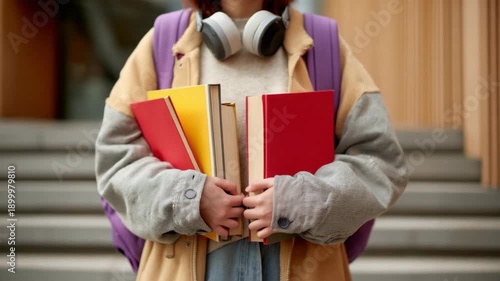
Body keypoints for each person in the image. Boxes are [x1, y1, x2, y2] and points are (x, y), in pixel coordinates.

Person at [95, 0, 409, 280]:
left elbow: (380, 163)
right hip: (192, 260)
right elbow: (115, 160)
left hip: (300, 262)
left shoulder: (325, 45)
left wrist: (300, 201)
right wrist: (189, 198)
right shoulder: (160, 43)